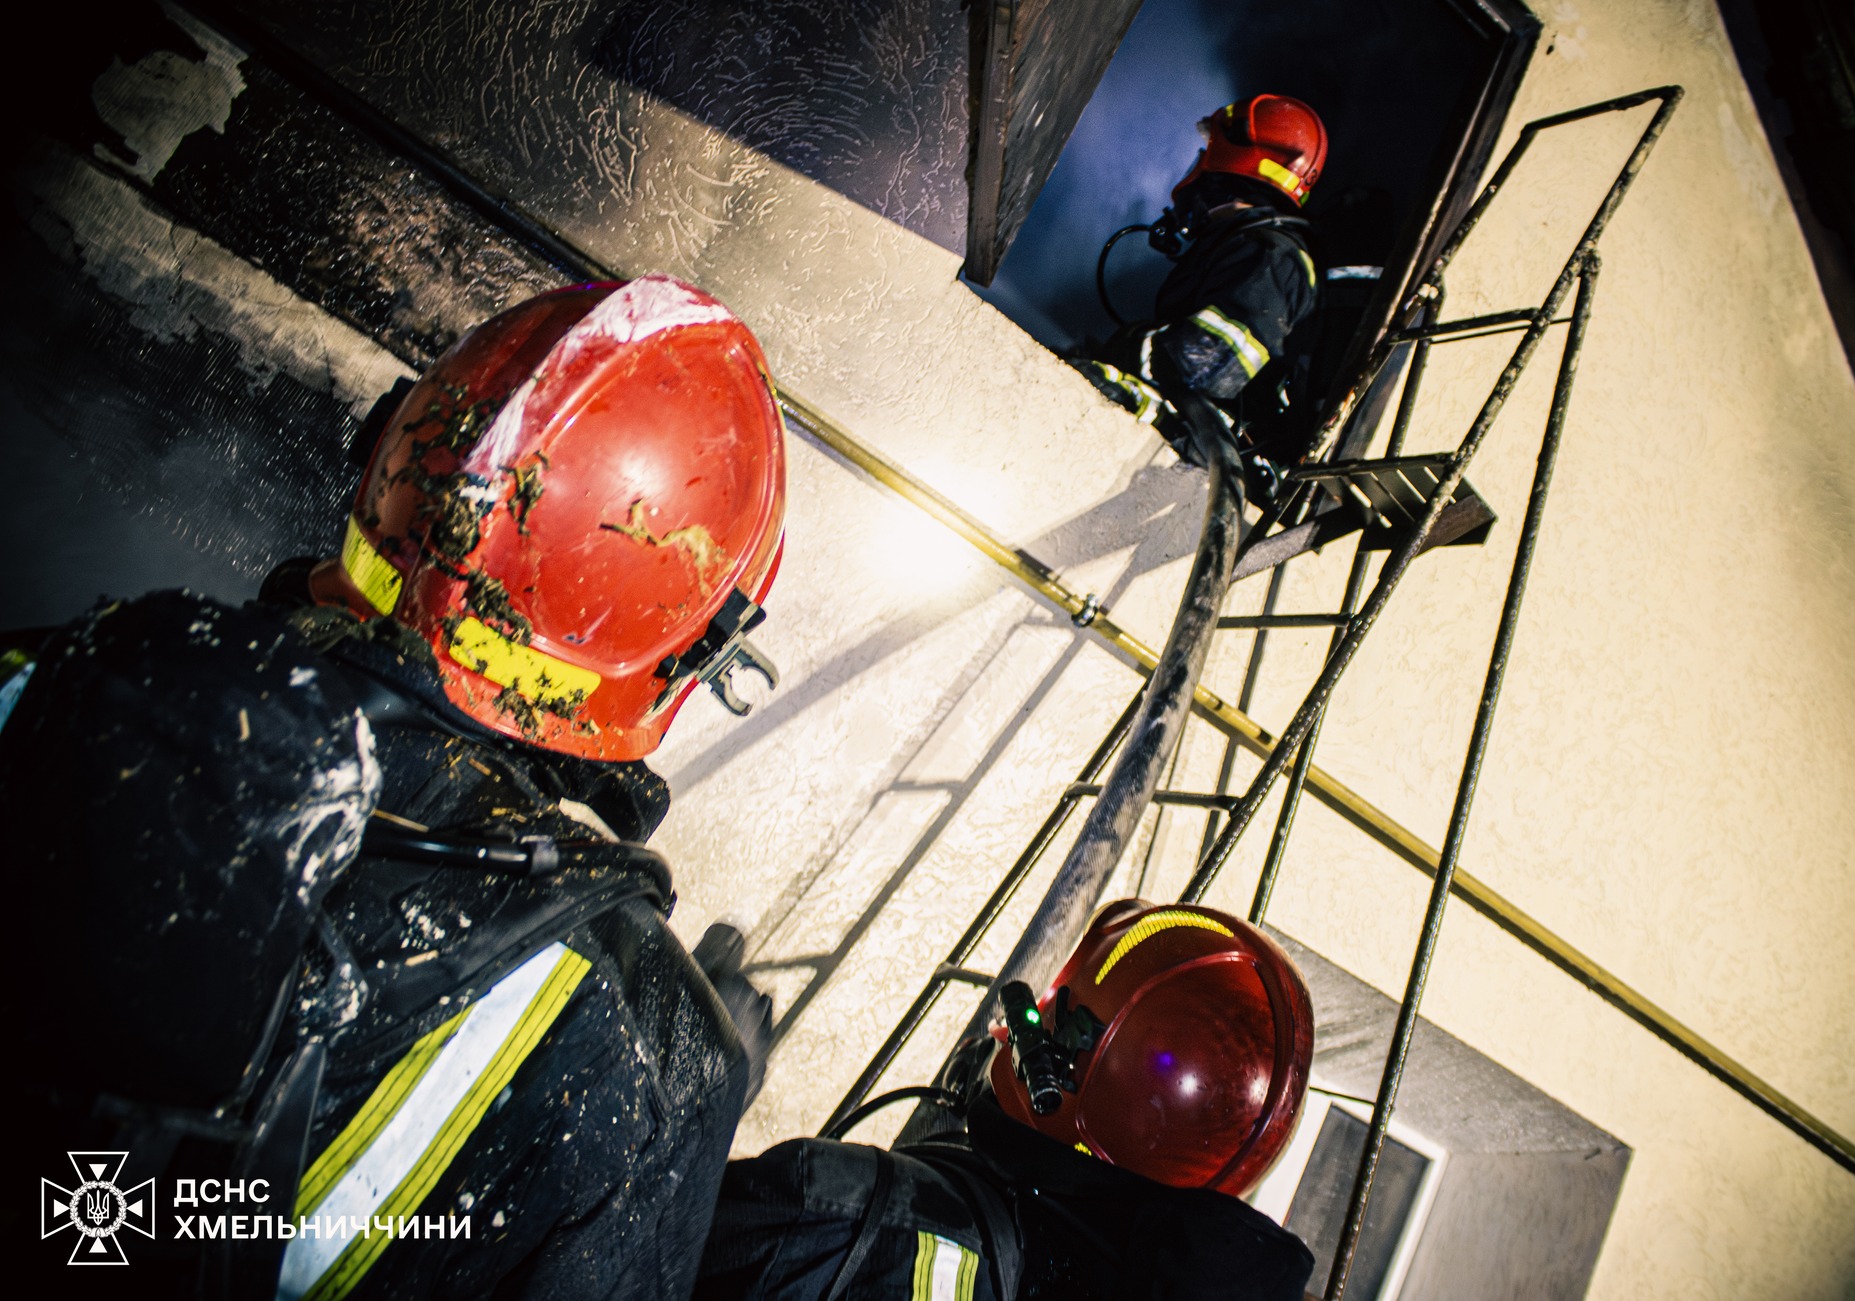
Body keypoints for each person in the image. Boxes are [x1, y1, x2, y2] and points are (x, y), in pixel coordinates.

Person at [7, 275, 787, 1299]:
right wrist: (688, 1093)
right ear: (689, 651)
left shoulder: (62, 676)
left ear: (390, 460)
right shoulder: (643, 1056)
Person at [695, 900, 1318, 1301]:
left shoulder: (836, 1212)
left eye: (1051, 1007)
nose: (1017, 1022)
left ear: (1068, 1078)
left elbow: (615, 1260)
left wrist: (700, 1085)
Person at [1077, 95, 1329, 505]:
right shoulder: (1250, 246)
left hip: (1224, 453)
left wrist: (1127, 345)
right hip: (1203, 439)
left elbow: (1206, 363)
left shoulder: (1274, 255)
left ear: (1234, 152)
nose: (1200, 160)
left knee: (1092, 382)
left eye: (1209, 147)